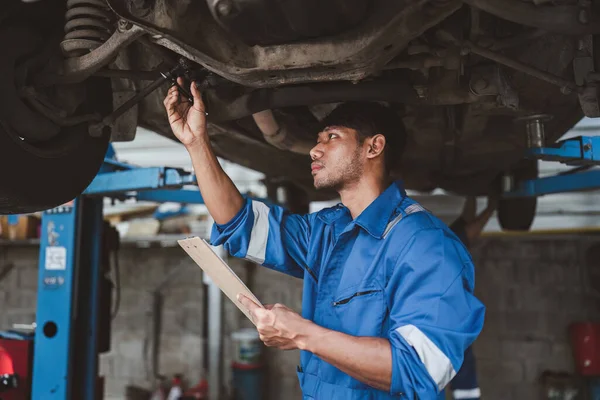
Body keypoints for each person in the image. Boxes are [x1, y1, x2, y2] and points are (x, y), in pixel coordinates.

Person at [164, 79, 486, 399]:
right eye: (317, 139)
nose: (315, 149)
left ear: (373, 147)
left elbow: (417, 368)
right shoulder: (327, 231)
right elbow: (239, 222)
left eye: (332, 137)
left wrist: (302, 334)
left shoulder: (428, 246)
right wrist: (196, 142)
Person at [448, 196, 497, 400]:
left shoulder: (447, 246)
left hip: (452, 319)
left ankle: (474, 193)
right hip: (453, 320)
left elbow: (467, 228)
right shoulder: (447, 246)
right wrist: (494, 205)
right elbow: (468, 231)